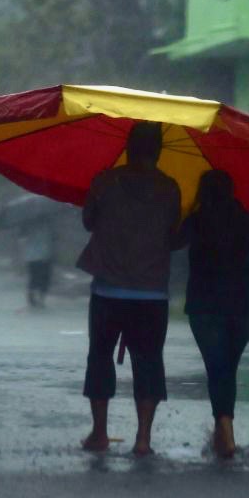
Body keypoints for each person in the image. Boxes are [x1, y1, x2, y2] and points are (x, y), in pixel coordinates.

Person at [76, 121, 181, 456]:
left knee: (100, 358)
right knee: (148, 362)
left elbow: (88, 221)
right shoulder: (170, 188)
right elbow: (173, 234)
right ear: (159, 151)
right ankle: (143, 439)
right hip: (152, 293)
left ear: (127, 147)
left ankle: (99, 434)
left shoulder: (104, 181)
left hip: (107, 290)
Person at [177, 169, 249, 459]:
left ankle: (224, 427)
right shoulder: (248, 222)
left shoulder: (196, 221)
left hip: (204, 306)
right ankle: (223, 429)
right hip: (242, 306)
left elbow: (170, 243)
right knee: (227, 367)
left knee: (216, 367)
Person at [18, 218, 53, 308]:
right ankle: (41, 298)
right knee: (44, 278)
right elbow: (51, 239)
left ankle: (32, 295)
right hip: (44, 255)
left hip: (32, 256)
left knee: (34, 277)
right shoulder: (48, 224)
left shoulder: (26, 225)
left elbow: (22, 241)